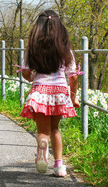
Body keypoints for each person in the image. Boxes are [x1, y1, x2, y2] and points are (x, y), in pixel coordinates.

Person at [19, 10, 81, 177]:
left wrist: (32, 77)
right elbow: (73, 76)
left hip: (40, 91)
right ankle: (59, 165)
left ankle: (43, 148)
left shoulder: (32, 48)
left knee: (43, 132)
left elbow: (25, 72)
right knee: (55, 129)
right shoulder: (65, 48)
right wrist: (73, 97)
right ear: (59, 28)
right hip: (59, 92)